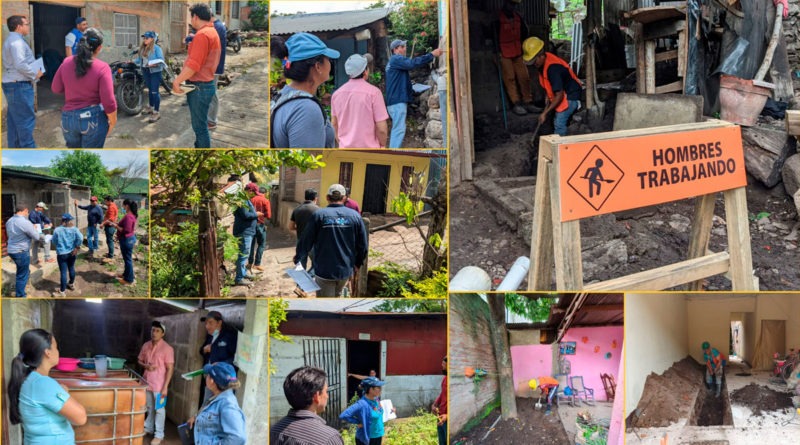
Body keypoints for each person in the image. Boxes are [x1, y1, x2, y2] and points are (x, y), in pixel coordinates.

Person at [6, 329, 87, 443]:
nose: (58, 351)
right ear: (47, 352)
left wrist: (59, 392)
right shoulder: (42, 384)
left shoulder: (29, 379)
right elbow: (80, 418)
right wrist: (64, 393)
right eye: (56, 347)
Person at [294, 184, 368, 297]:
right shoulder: (355, 216)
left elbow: (305, 241)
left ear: (327, 197)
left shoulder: (319, 215)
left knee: (326, 303)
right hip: (345, 269)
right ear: (344, 198)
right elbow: (363, 245)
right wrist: (357, 264)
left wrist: (298, 257)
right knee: (338, 297)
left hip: (324, 271)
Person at [271, 33, 340, 148]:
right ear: (318, 67)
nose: (330, 63)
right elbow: (307, 164)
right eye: (327, 59)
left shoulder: (283, 95)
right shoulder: (306, 109)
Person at [52, 28, 118, 148]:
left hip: (68, 119)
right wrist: (113, 121)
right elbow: (108, 100)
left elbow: (56, 88)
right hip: (92, 118)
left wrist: (73, 88)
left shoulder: (66, 62)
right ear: (99, 48)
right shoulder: (103, 68)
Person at [173, 3, 222, 148]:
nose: (191, 20)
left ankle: (201, 149)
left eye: (191, 17)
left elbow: (193, 65)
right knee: (200, 125)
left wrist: (177, 81)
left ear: (195, 17)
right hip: (207, 84)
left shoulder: (202, 35)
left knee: (200, 128)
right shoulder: (212, 32)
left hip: (200, 87)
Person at [385, 39, 443, 148]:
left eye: (404, 46)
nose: (405, 49)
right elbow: (412, 64)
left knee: (398, 128)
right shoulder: (396, 59)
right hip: (397, 101)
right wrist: (431, 55)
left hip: (394, 101)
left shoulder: (393, 62)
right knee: (399, 129)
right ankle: (393, 153)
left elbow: (400, 82)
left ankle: (393, 151)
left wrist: (413, 90)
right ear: (395, 49)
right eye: (402, 47)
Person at [522, 36, 582, 137]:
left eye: (534, 61)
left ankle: (559, 145)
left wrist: (545, 112)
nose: (533, 64)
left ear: (541, 56)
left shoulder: (553, 69)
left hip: (571, 95)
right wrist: (548, 96)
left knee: (559, 122)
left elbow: (559, 95)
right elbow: (549, 84)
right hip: (563, 92)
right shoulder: (544, 61)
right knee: (554, 114)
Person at [271, 366, 344, 445]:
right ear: (317, 397)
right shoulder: (329, 439)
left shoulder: (274, 430)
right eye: (326, 391)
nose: (327, 396)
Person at [2, 15, 44, 148]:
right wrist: (35, 74)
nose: (28, 26)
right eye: (27, 24)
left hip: (14, 84)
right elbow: (20, 64)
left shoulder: (14, 40)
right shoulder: (17, 43)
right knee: (26, 120)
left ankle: (15, 148)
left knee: (15, 121)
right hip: (19, 85)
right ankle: (29, 149)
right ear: (19, 27)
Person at [331, 54, 389, 148]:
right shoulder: (374, 93)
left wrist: (342, 142)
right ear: (365, 72)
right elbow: (381, 128)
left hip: (345, 150)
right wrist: (382, 145)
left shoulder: (336, 94)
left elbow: (334, 124)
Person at [496, 0, 539, 115]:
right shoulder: (497, 19)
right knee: (510, 78)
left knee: (524, 76)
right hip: (504, 52)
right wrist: (497, 52)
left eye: (514, 5)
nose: (512, 7)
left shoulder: (518, 18)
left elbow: (525, 32)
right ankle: (516, 103)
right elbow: (492, 35)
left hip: (518, 51)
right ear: (505, 4)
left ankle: (528, 102)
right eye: (510, 4)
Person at [187, 362, 246, 445]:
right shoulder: (215, 396)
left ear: (211, 381)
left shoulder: (228, 405)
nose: (206, 377)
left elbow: (238, 438)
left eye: (207, 375)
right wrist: (197, 418)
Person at [136, 321, 174, 445]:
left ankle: (159, 434)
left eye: (157, 331)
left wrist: (165, 387)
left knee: (159, 409)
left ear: (163, 334)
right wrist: (145, 366)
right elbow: (139, 360)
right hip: (147, 382)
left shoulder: (167, 349)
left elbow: (170, 369)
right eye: (153, 330)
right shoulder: (146, 345)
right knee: (149, 407)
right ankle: (148, 428)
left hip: (160, 385)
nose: (154, 333)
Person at [199, 311, 238, 403]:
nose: (207, 326)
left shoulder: (230, 336)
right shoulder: (210, 336)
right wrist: (204, 349)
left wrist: (221, 364)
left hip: (223, 380)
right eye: (206, 323)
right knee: (207, 404)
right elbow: (200, 351)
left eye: (210, 323)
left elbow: (236, 358)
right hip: (210, 378)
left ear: (219, 322)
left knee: (222, 404)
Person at [6, 206, 43, 297]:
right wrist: (33, 228)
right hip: (21, 251)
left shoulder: (9, 221)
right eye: (27, 212)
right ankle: (20, 295)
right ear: (25, 210)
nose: (28, 214)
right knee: (22, 275)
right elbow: (36, 237)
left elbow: (14, 234)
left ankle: (23, 287)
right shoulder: (25, 222)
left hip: (11, 250)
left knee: (23, 270)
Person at [340, 376, 388, 445]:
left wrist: (389, 410)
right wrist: (358, 422)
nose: (381, 389)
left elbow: (379, 412)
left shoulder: (376, 399)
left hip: (378, 435)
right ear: (371, 389)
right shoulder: (362, 404)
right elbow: (344, 415)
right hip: (367, 439)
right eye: (378, 387)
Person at [233, 183, 263, 286]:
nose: (254, 195)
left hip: (247, 231)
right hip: (244, 232)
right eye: (254, 193)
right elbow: (245, 215)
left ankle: (243, 273)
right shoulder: (242, 200)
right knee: (243, 255)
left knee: (245, 254)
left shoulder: (245, 199)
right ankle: (239, 278)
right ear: (249, 191)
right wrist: (256, 214)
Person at [135, 31, 165, 123]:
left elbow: (161, 60)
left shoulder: (157, 48)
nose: (145, 40)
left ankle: (156, 112)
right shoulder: (143, 48)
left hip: (155, 72)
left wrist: (153, 64)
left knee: (155, 92)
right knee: (150, 90)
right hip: (146, 71)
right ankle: (151, 107)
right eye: (144, 38)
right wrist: (131, 61)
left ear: (152, 39)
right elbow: (139, 60)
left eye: (147, 38)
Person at [51, 214, 83, 298]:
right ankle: (71, 284)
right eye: (71, 220)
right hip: (72, 252)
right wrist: (76, 247)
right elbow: (80, 238)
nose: (72, 222)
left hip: (62, 254)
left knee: (63, 272)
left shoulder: (57, 230)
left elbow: (54, 241)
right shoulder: (75, 229)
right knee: (71, 267)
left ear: (63, 220)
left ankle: (62, 292)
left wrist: (59, 244)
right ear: (69, 221)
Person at [107, 199, 138, 285]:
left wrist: (114, 225)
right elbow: (125, 226)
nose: (123, 208)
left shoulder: (128, 216)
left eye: (123, 206)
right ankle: (126, 275)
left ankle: (129, 279)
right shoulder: (131, 215)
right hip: (129, 239)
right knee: (127, 259)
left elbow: (125, 230)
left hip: (127, 240)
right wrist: (117, 224)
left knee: (128, 260)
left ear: (127, 206)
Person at [290, 189, 320, 270]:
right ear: (315, 198)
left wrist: (301, 228)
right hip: (313, 243)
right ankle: (309, 279)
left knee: (300, 267)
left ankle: (301, 282)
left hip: (300, 241)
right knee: (317, 265)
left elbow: (291, 227)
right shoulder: (318, 210)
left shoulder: (297, 209)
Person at [207, 16, 227, 131]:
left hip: (214, 67)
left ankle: (211, 121)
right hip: (214, 66)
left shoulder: (217, 27)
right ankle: (210, 118)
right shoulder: (217, 26)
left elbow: (211, 45)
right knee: (211, 93)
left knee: (212, 93)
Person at [247, 185, 271, 272]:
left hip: (251, 225)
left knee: (252, 244)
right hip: (260, 225)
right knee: (261, 244)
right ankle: (257, 264)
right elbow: (268, 215)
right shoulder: (265, 200)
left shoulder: (250, 200)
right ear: (264, 193)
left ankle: (249, 263)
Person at [29, 202, 54, 266]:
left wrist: (49, 222)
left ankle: (35, 260)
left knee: (35, 245)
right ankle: (47, 258)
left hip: (38, 232)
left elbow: (44, 217)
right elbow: (34, 224)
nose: (43, 210)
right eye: (43, 208)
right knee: (47, 241)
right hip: (36, 232)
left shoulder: (39, 212)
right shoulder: (32, 214)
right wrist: (43, 226)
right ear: (39, 207)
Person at [432, 357, 447, 445]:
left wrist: (448, 415)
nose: (442, 366)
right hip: (440, 415)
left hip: (447, 419)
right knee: (442, 441)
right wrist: (435, 404)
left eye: (444, 364)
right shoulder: (445, 378)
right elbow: (443, 393)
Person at [100, 197, 119, 263]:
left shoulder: (111, 207)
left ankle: (110, 256)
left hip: (110, 226)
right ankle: (110, 253)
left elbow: (110, 218)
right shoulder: (113, 205)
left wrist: (103, 223)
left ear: (109, 201)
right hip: (111, 225)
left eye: (106, 201)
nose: (105, 202)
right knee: (109, 240)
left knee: (109, 240)